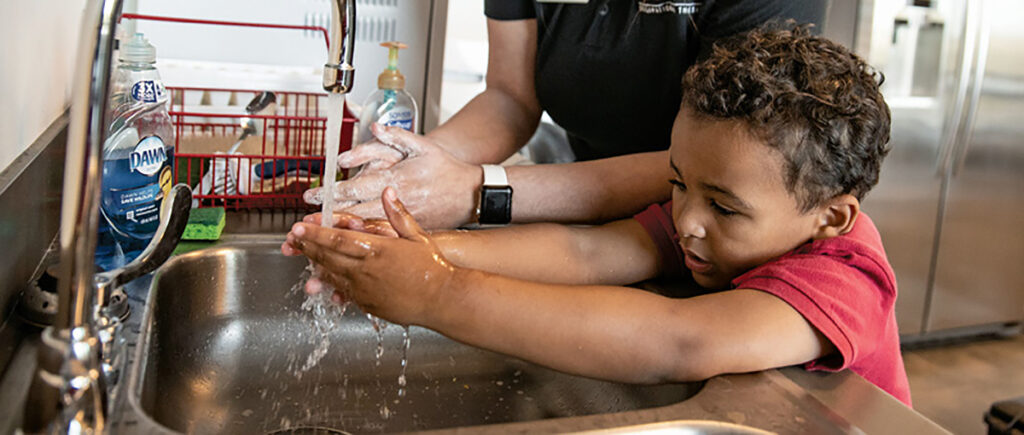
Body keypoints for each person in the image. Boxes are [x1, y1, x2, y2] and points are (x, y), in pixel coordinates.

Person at [283, 23, 911, 405]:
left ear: (831, 218)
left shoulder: (844, 279)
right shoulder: (709, 220)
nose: (687, 217)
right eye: (677, 183)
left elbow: (678, 342)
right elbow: (585, 253)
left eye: (722, 205)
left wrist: (434, 290)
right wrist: (407, 250)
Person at [305, 0, 828, 229]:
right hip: (594, 209)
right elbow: (511, 97)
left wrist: (477, 191)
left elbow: (724, 160)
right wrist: (407, 172)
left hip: (721, 221)